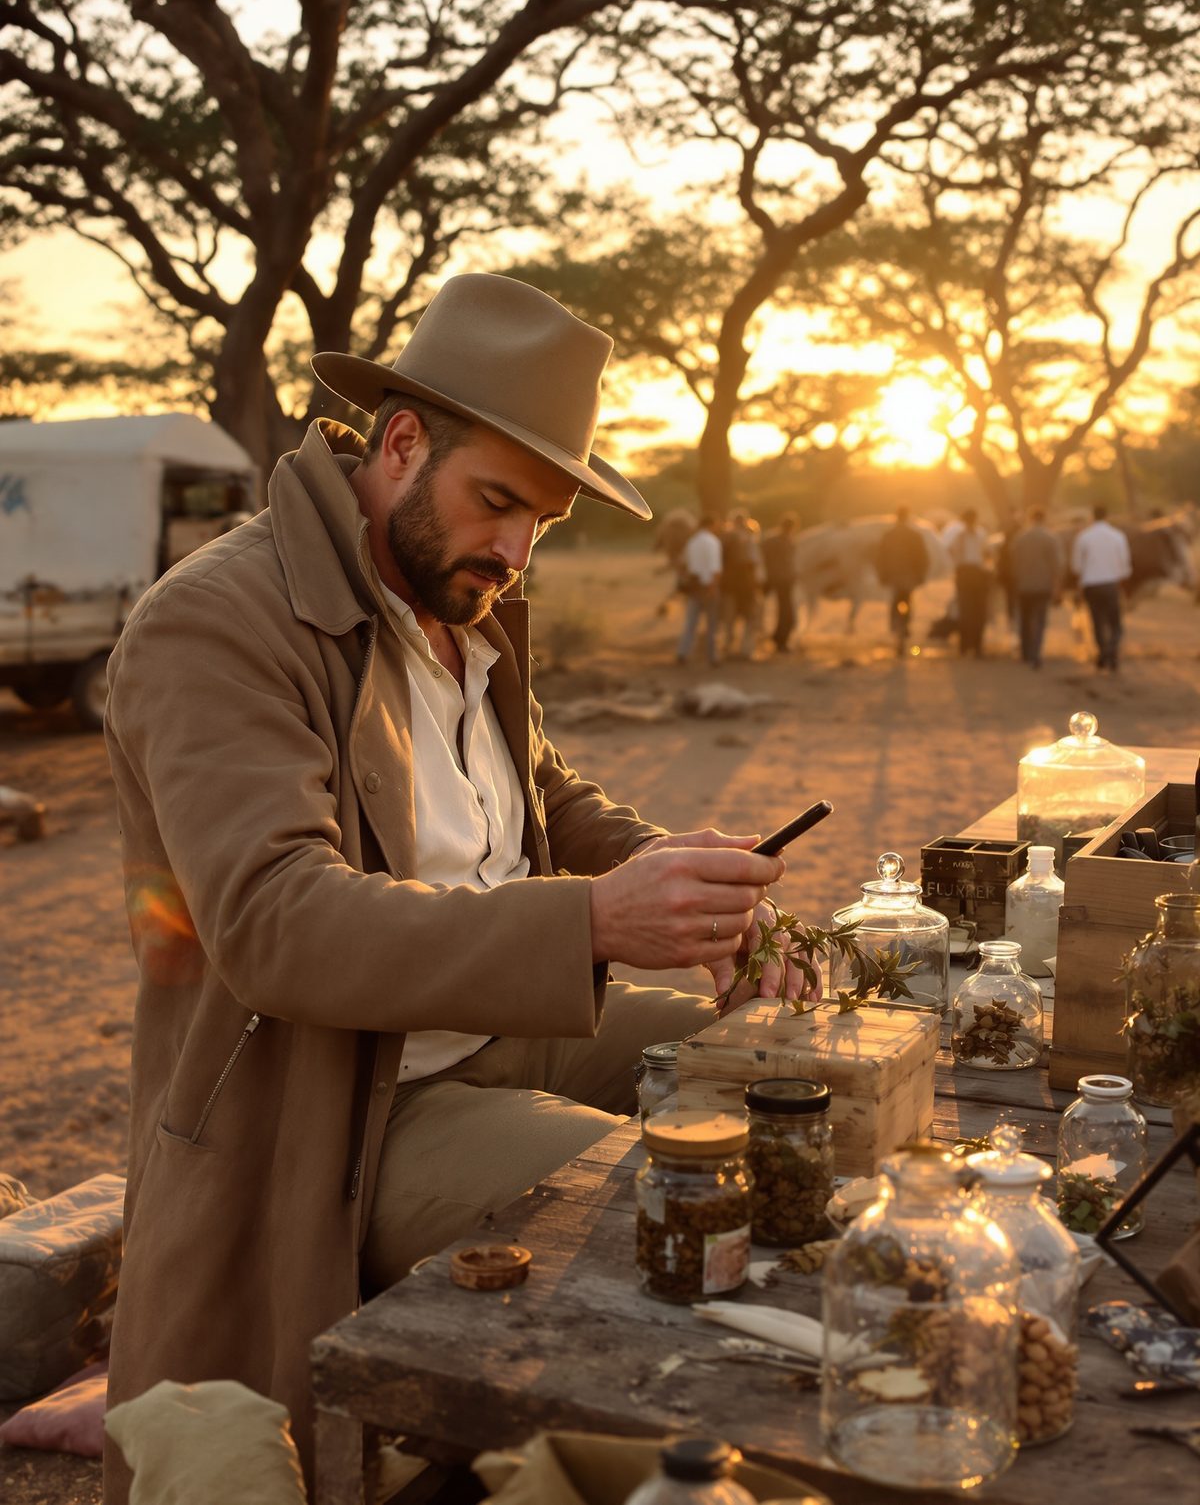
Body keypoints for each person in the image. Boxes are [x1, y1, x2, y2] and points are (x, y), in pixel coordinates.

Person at [101, 274, 811, 1502]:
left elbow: (544, 796)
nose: (515, 550)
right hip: (346, 1103)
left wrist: (676, 878)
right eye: (498, 504)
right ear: (403, 438)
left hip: (504, 1031)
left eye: (543, 521)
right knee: (677, 1195)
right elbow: (275, 919)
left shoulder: (457, 597)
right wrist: (593, 921)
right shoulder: (218, 621)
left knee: (788, 1085)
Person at [1071, 504, 1132, 670]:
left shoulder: (1084, 537)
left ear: (1092, 516)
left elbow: (1076, 566)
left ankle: (1103, 653)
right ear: (1107, 516)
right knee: (1115, 625)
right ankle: (1111, 652)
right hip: (1111, 585)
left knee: (1097, 622)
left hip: (1091, 585)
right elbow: (1125, 565)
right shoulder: (1117, 536)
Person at [1009, 506, 1063, 669]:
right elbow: (1057, 565)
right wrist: (1057, 587)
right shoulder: (1050, 538)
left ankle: (1025, 652)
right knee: (1039, 621)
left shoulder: (1020, 538)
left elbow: (1013, 562)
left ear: (1030, 519)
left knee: (1025, 620)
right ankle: (1036, 654)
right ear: (1044, 519)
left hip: (1023, 585)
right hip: (1043, 586)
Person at [875, 505, 929, 657]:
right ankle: (905, 628)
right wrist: (921, 575)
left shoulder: (889, 535)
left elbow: (880, 558)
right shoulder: (914, 535)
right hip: (909, 577)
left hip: (894, 577)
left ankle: (895, 627)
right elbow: (922, 557)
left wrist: (882, 575)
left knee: (895, 601)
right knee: (907, 601)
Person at [676, 512, 724, 665]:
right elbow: (715, 569)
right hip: (707, 585)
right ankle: (712, 656)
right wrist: (713, 587)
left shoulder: (692, 541)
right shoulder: (713, 542)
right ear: (712, 525)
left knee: (691, 623)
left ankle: (683, 653)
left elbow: (684, 565)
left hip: (694, 585)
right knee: (711, 624)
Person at [719, 509, 764, 659]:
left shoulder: (725, 537)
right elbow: (755, 562)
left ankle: (728, 647)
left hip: (730, 584)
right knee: (750, 616)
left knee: (729, 617)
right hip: (746, 583)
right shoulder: (750, 538)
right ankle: (746, 649)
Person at [948, 508, 991, 656]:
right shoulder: (961, 536)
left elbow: (987, 554)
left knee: (977, 611)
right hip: (966, 572)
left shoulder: (980, 534)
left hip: (975, 573)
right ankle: (966, 645)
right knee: (967, 610)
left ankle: (976, 645)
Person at [760, 513, 799, 653]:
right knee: (787, 614)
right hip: (782, 581)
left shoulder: (770, 540)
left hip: (772, 579)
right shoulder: (787, 541)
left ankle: (776, 638)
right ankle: (780, 641)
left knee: (782, 611)